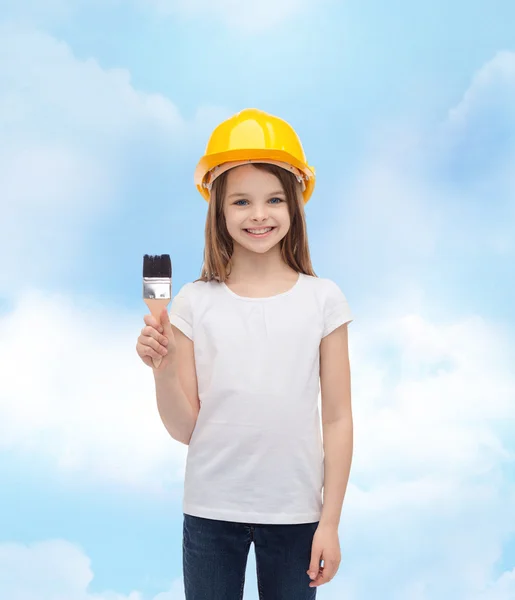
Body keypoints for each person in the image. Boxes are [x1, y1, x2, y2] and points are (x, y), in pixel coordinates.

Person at [136, 108, 354, 599]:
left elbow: (338, 419)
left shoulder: (324, 300)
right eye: (241, 201)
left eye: (274, 199)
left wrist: (330, 522)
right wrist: (162, 369)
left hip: (298, 515)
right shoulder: (192, 302)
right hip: (211, 512)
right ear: (219, 210)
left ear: (296, 204)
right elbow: (184, 430)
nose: (259, 214)